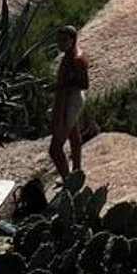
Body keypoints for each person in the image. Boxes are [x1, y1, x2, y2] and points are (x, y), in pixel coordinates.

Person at [48, 25, 89, 178]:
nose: (60, 44)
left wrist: (60, 86)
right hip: (66, 98)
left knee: (55, 149)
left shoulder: (77, 59)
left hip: (72, 100)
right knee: (73, 135)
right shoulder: (68, 55)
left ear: (72, 40)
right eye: (59, 40)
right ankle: (77, 170)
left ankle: (68, 181)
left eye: (64, 40)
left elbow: (84, 84)